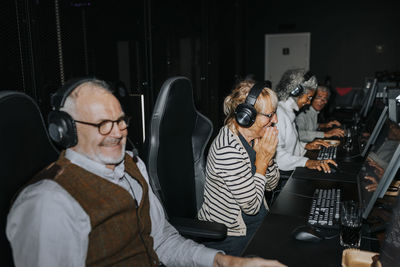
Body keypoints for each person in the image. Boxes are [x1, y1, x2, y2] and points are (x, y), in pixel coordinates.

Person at [6, 78, 286, 267]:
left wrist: (224, 262)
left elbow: (162, 241)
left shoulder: (132, 167)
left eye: (120, 120)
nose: (118, 132)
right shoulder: (48, 203)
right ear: (66, 131)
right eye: (103, 124)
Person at [198, 80, 280, 256]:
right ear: (247, 116)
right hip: (232, 236)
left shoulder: (256, 137)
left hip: (258, 222)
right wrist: (262, 162)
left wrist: (269, 159)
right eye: (269, 115)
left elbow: (272, 185)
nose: (276, 120)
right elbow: (251, 206)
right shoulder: (227, 149)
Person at [274, 69, 336, 173]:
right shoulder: (279, 115)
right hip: (283, 176)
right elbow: (278, 158)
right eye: (308, 98)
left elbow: (290, 147)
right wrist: (307, 162)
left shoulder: (289, 112)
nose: (308, 102)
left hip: (292, 169)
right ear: (295, 92)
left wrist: (305, 146)